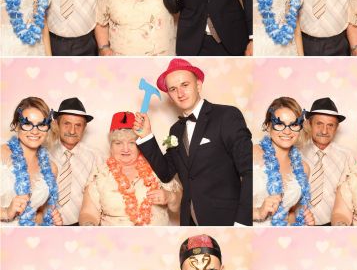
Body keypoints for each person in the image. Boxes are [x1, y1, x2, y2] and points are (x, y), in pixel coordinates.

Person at [135, 58, 252, 226]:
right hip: (189, 223)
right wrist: (146, 135)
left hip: (228, 221)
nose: (180, 93)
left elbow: (249, 171)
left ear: (198, 85)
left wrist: (243, 221)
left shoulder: (226, 116)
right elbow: (166, 172)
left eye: (185, 85)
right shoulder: (175, 130)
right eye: (173, 89)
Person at [79, 111, 180, 226]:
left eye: (132, 143)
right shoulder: (100, 174)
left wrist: (170, 197)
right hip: (113, 236)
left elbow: (178, 205)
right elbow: (88, 213)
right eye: (118, 143)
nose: (125, 149)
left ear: (140, 145)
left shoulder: (157, 166)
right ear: (111, 146)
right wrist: (88, 226)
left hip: (156, 235)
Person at [253, 97, 314, 226]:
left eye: (294, 124)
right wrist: (257, 212)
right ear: (268, 126)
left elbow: (290, 213)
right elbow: (224, 202)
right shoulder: (250, 154)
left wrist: (303, 222)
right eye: (279, 124)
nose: (287, 131)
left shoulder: (303, 168)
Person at [1, 97, 62, 226]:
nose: (35, 131)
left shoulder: (51, 169)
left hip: (29, 236)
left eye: (41, 124)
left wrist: (49, 218)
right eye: (27, 124)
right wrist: (5, 212)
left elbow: (39, 212)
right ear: (17, 125)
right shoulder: (1, 155)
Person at [299, 98, 355, 226]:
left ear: (336, 127)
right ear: (309, 124)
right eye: (319, 124)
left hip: (333, 224)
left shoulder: (347, 156)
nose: (324, 131)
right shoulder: (297, 153)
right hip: (299, 224)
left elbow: (351, 195)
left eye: (330, 125)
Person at [49, 97, 99, 226]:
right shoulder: (45, 153)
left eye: (78, 125)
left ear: (84, 127)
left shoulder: (95, 157)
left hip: (81, 225)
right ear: (57, 124)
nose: (72, 131)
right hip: (46, 223)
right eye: (67, 124)